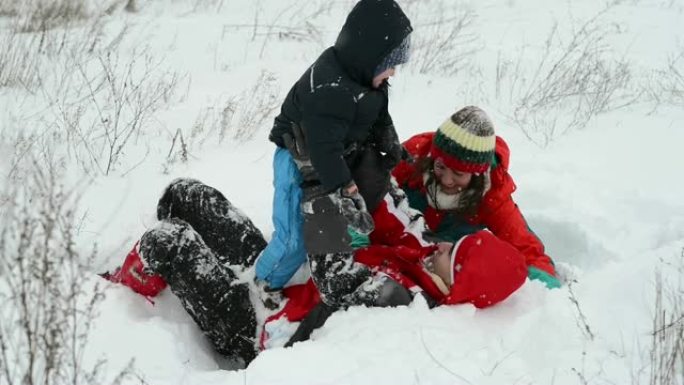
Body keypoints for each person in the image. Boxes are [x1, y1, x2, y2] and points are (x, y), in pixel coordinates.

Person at [255, 0, 414, 310]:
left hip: (331, 156)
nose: (393, 71)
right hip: (296, 159)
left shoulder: (365, 79)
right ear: (368, 55)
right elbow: (323, 148)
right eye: (390, 63)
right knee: (293, 242)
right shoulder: (330, 88)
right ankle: (264, 282)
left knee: (326, 217)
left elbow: (378, 116)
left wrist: (390, 142)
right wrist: (344, 187)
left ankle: (331, 247)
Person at [372, 106, 562, 288]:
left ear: (477, 174)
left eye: (458, 174)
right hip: (391, 246)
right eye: (440, 167)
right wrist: (358, 241)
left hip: (442, 263)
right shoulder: (413, 156)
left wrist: (543, 289)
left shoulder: (492, 194)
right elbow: (364, 196)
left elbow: (530, 254)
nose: (447, 180)